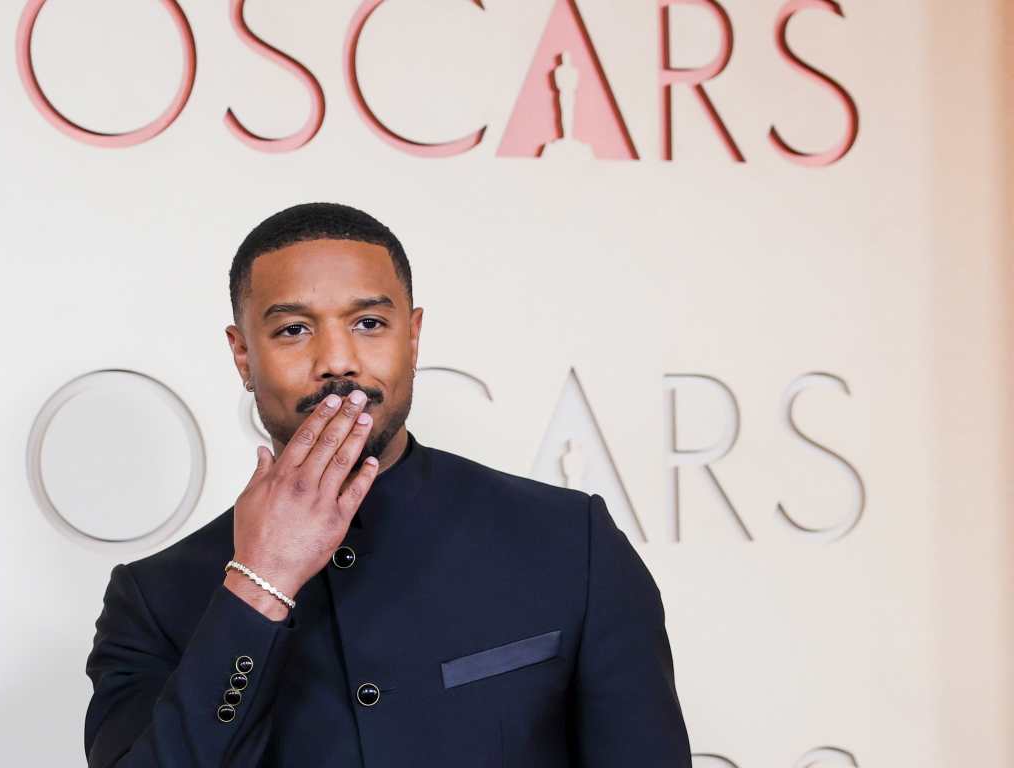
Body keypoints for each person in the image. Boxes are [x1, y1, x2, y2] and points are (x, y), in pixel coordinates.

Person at [82, 202, 691, 766]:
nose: (338, 361)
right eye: (294, 330)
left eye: (369, 322)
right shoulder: (152, 600)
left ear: (414, 335)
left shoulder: (570, 542)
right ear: (243, 356)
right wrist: (260, 586)